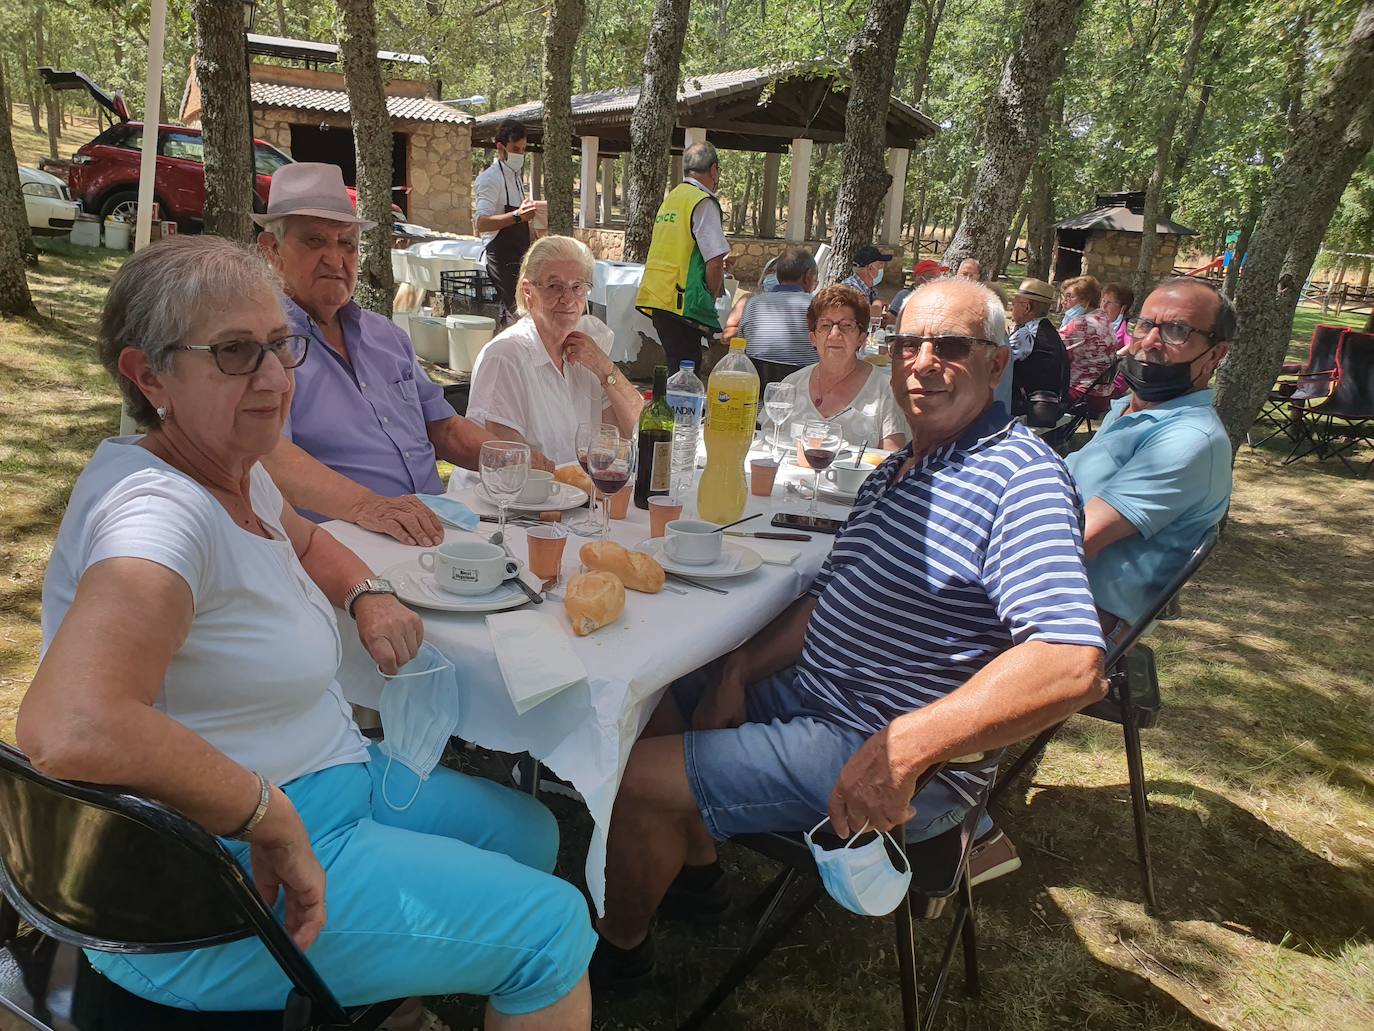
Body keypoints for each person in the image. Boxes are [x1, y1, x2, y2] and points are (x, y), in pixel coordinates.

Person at [17, 235, 594, 1027]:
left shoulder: (233, 465)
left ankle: (387, 1000)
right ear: (149, 377)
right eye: (232, 353)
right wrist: (264, 812)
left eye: (279, 347)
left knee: (530, 830)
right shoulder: (160, 513)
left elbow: (312, 540)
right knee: (553, 931)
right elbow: (68, 724)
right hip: (213, 888)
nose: (271, 379)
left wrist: (369, 594)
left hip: (330, 780)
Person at [588, 277, 1106, 989]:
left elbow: (1071, 660)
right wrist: (739, 669)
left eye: (951, 345)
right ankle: (696, 872)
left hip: (880, 746)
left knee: (625, 779)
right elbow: (829, 599)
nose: (923, 361)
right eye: (909, 344)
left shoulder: (1019, 477)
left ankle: (617, 948)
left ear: (996, 362)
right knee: (653, 686)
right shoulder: (898, 469)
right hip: (816, 699)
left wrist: (906, 748)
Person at [254, 163, 552, 531]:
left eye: (346, 243)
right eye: (314, 241)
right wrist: (371, 508)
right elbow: (270, 458)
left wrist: (518, 461)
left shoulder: (386, 335)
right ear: (271, 250)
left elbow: (444, 429)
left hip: (436, 525)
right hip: (345, 544)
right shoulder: (260, 346)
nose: (335, 258)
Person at [1066, 278, 1234, 637]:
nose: (1150, 341)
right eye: (1146, 324)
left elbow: (1075, 539)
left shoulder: (1189, 440)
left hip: (1076, 622)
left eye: (1177, 330)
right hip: (1047, 594)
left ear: (1215, 355)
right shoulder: (1129, 410)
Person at [466, 235, 645, 465]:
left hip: (574, 495)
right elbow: (507, 462)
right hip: (518, 498)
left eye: (577, 287)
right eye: (554, 286)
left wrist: (605, 368)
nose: (568, 299)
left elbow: (633, 432)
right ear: (528, 292)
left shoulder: (588, 349)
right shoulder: (506, 357)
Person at [774, 285, 907, 451]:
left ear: (861, 338)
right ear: (813, 338)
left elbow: (892, 459)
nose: (835, 334)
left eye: (847, 325)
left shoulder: (885, 390)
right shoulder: (791, 385)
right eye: (825, 325)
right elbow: (768, 444)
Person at [636, 141, 731, 371]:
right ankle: (676, 408)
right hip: (682, 300)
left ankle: (667, 407)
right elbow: (715, 261)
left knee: (675, 365)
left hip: (658, 295)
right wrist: (711, 296)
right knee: (686, 372)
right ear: (714, 170)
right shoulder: (703, 201)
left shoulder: (673, 198)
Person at [474, 119, 540, 325]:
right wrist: (518, 216)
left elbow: (521, 219)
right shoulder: (490, 179)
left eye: (523, 149)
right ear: (501, 148)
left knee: (527, 310)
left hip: (519, 254)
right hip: (500, 257)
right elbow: (481, 223)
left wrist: (537, 243)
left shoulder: (516, 178)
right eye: (515, 149)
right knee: (516, 313)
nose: (519, 154)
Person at [739, 248, 820, 391]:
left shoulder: (754, 303)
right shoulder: (818, 306)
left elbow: (741, 347)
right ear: (807, 276)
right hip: (804, 400)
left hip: (757, 400)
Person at [1008, 277, 1070, 420]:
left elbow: (997, 362)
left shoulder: (1027, 333)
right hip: (1048, 404)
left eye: (1014, 303)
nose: (1012, 307)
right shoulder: (1044, 328)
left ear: (1027, 307)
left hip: (1029, 406)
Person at [1059, 275, 1118, 402]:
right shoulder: (1102, 317)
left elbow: (1051, 348)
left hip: (1081, 393)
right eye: (1064, 296)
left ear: (1086, 300)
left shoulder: (1081, 324)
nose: (1064, 301)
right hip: (1102, 393)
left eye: (1070, 297)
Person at [886, 257, 949, 326]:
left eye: (938, 277)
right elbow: (890, 321)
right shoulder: (904, 295)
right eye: (933, 277)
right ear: (919, 278)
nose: (937, 281)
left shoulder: (939, 299)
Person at [840, 244, 892, 321]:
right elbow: (866, 315)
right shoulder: (849, 288)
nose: (881, 270)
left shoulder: (870, 290)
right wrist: (879, 303)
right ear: (870, 268)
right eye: (879, 266)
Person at [1102, 282, 1135, 351]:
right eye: (1103, 301)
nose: (1103, 306)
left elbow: (1133, 344)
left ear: (1123, 308)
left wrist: (1117, 355)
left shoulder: (1127, 326)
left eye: (1109, 303)